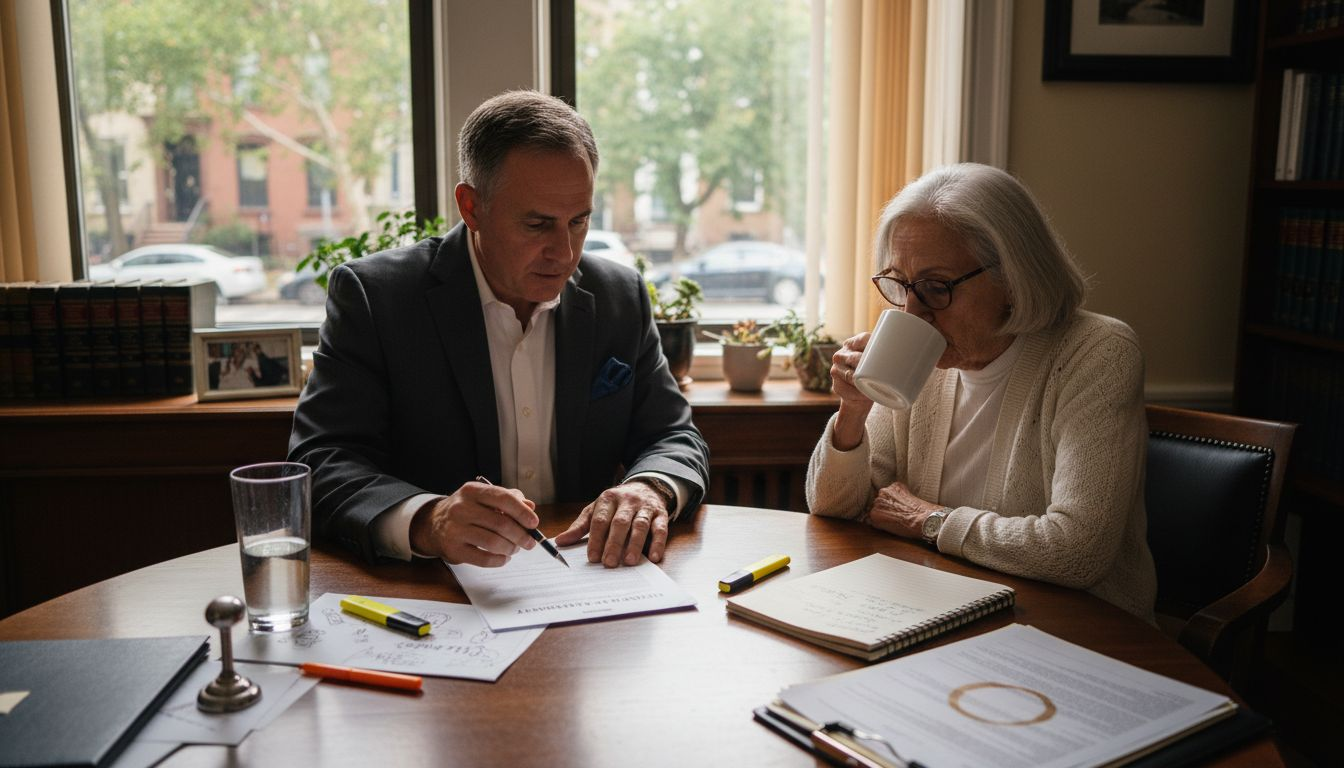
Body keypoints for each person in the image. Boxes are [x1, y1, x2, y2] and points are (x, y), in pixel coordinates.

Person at [290, 90, 710, 570]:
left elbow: (673, 435)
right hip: (430, 593)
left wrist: (649, 486)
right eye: (537, 224)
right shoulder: (375, 298)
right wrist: (429, 519)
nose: (565, 252)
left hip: (586, 581)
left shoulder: (620, 296)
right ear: (471, 207)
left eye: (579, 221)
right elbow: (321, 461)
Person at [808, 163, 1156, 621]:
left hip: (1077, 628)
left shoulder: (1097, 353)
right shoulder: (923, 361)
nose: (913, 312)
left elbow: (1077, 551)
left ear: (1013, 278)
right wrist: (852, 412)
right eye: (900, 284)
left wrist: (928, 521)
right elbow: (835, 507)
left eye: (935, 287)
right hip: (937, 610)